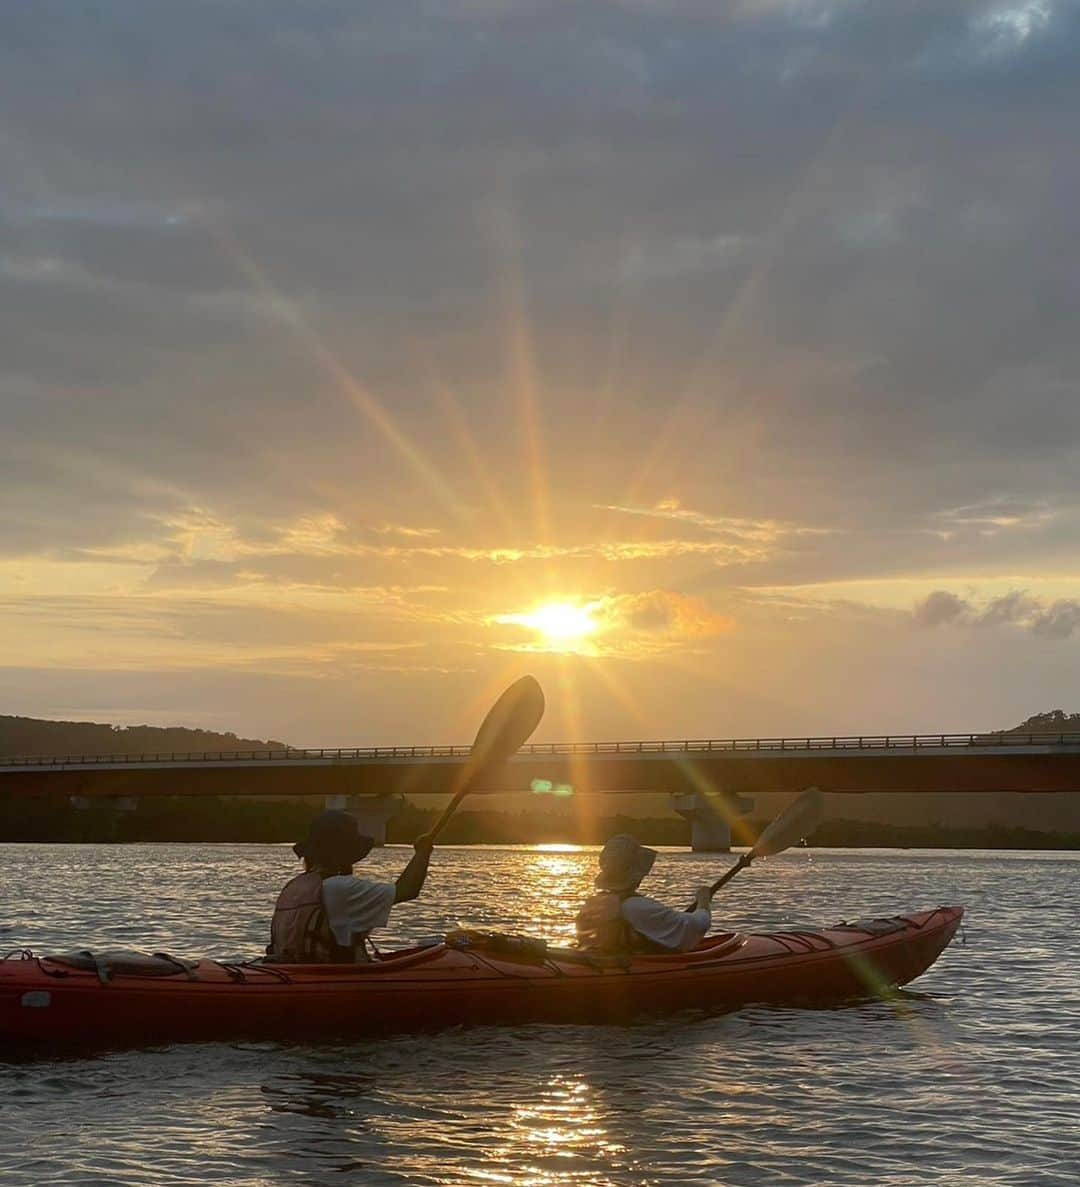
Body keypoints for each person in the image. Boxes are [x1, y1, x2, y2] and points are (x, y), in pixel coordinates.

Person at [267, 809, 434, 963]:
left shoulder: (293, 887)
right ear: (346, 854)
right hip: (333, 980)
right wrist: (422, 853)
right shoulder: (340, 889)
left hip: (293, 973)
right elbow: (407, 890)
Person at [575, 834, 712, 955]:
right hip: (628, 968)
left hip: (601, 962)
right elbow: (697, 925)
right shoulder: (637, 906)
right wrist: (703, 902)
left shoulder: (592, 903)